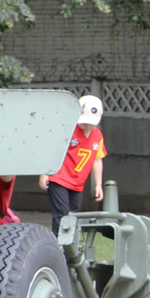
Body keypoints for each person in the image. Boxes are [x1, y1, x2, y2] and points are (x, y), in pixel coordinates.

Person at [41, 95, 106, 224]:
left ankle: (70, 243)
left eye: (90, 123)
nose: (87, 126)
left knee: (74, 214)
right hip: (59, 179)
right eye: (84, 122)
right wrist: (45, 173)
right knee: (62, 214)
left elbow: (97, 160)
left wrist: (98, 184)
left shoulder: (97, 135)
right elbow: (51, 151)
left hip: (78, 183)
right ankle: (58, 242)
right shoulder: (67, 130)